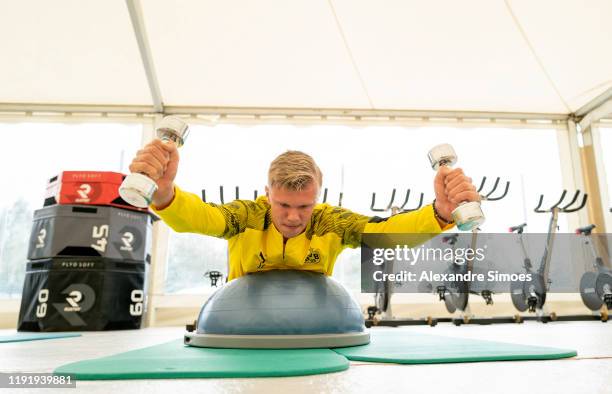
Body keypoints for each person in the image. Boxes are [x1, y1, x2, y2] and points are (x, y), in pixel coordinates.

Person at [129, 139, 480, 281]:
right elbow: (204, 218)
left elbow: (383, 235)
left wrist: (441, 213)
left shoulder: (330, 221)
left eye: (304, 206)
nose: (294, 216)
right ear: (267, 194)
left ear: (318, 197)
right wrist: (164, 193)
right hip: (241, 332)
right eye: (283, 204)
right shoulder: (247, 215)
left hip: (316, 331)